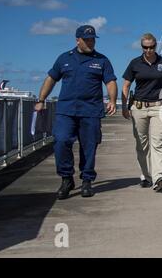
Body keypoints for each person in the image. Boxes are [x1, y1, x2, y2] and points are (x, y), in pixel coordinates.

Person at [35, 25, 118, 199]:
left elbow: (110, 82)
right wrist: (41, 100)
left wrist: (111, 101)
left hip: (91, 111)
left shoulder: (102, 60)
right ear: (77, 40)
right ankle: (66, 179)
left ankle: (87, 180)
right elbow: (51, 79)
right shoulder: (64, 58)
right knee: (61, 140)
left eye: (93, 39)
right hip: (66, 110)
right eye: (87, 39)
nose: (90, 42)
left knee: (89, 147)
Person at [122, 33, 162, 192]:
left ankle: (159, 177)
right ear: (142, 47)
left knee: (158, 142)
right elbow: (125, 86)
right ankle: (146, 175)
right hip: (139, 107)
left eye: (151, 47)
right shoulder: (135, 63)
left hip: (158, 107)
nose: (149, 50)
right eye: (145, 47)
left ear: (155, 46)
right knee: (142, 144)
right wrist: (125, 106)